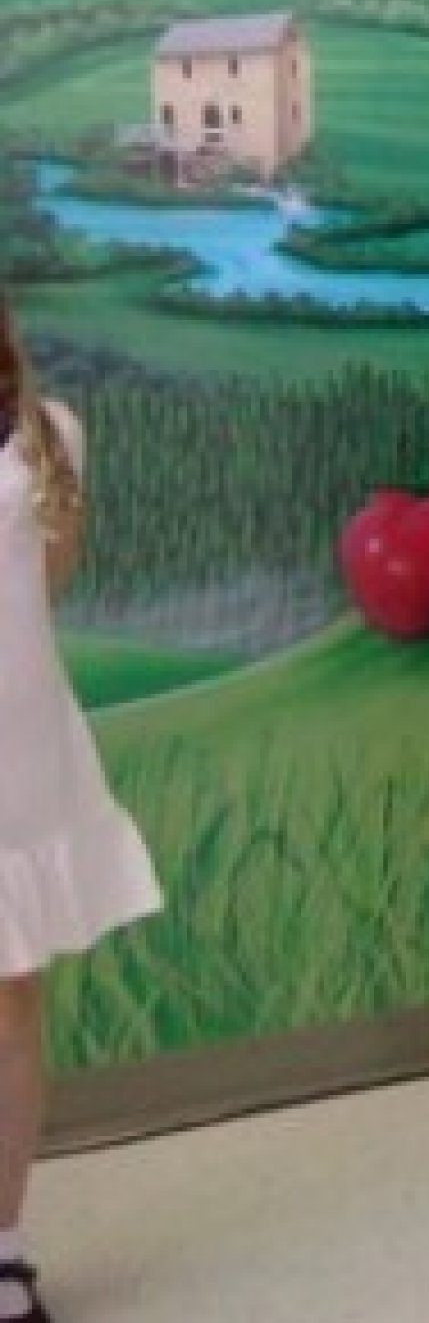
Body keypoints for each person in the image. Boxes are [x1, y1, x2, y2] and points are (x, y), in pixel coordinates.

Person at [0, 290, 164, 1323]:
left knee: (11, 1002)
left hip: (17, 768)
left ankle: (3, 1238)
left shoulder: (47, 436)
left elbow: (44, 593)